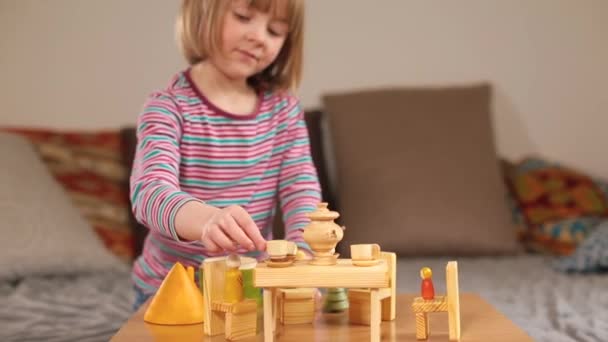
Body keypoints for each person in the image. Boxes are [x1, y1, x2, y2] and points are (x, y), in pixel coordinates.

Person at [130, 0, 320, 311]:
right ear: (203, 12)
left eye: (275, 31)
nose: (259, 37)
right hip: (171, 292)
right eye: (244, 17)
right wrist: (207, 220)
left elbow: (301, 192)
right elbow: (149, 192)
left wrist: (302, 258)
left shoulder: (284, 112)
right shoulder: (167, 108)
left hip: (249, 290)